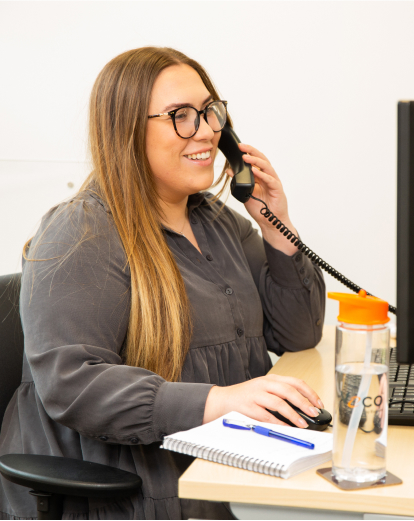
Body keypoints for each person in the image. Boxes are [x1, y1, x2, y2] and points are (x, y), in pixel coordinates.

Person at [0, 46, 326, 520]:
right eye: (180, 116)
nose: (209, 131)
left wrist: (277, 227)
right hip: (117, 487)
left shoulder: (221, 224)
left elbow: (297, 333)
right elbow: (72, 384)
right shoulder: (82, 233)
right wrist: (219, 400)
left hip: (213, 468)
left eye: (211, 112)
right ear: (127, 131)